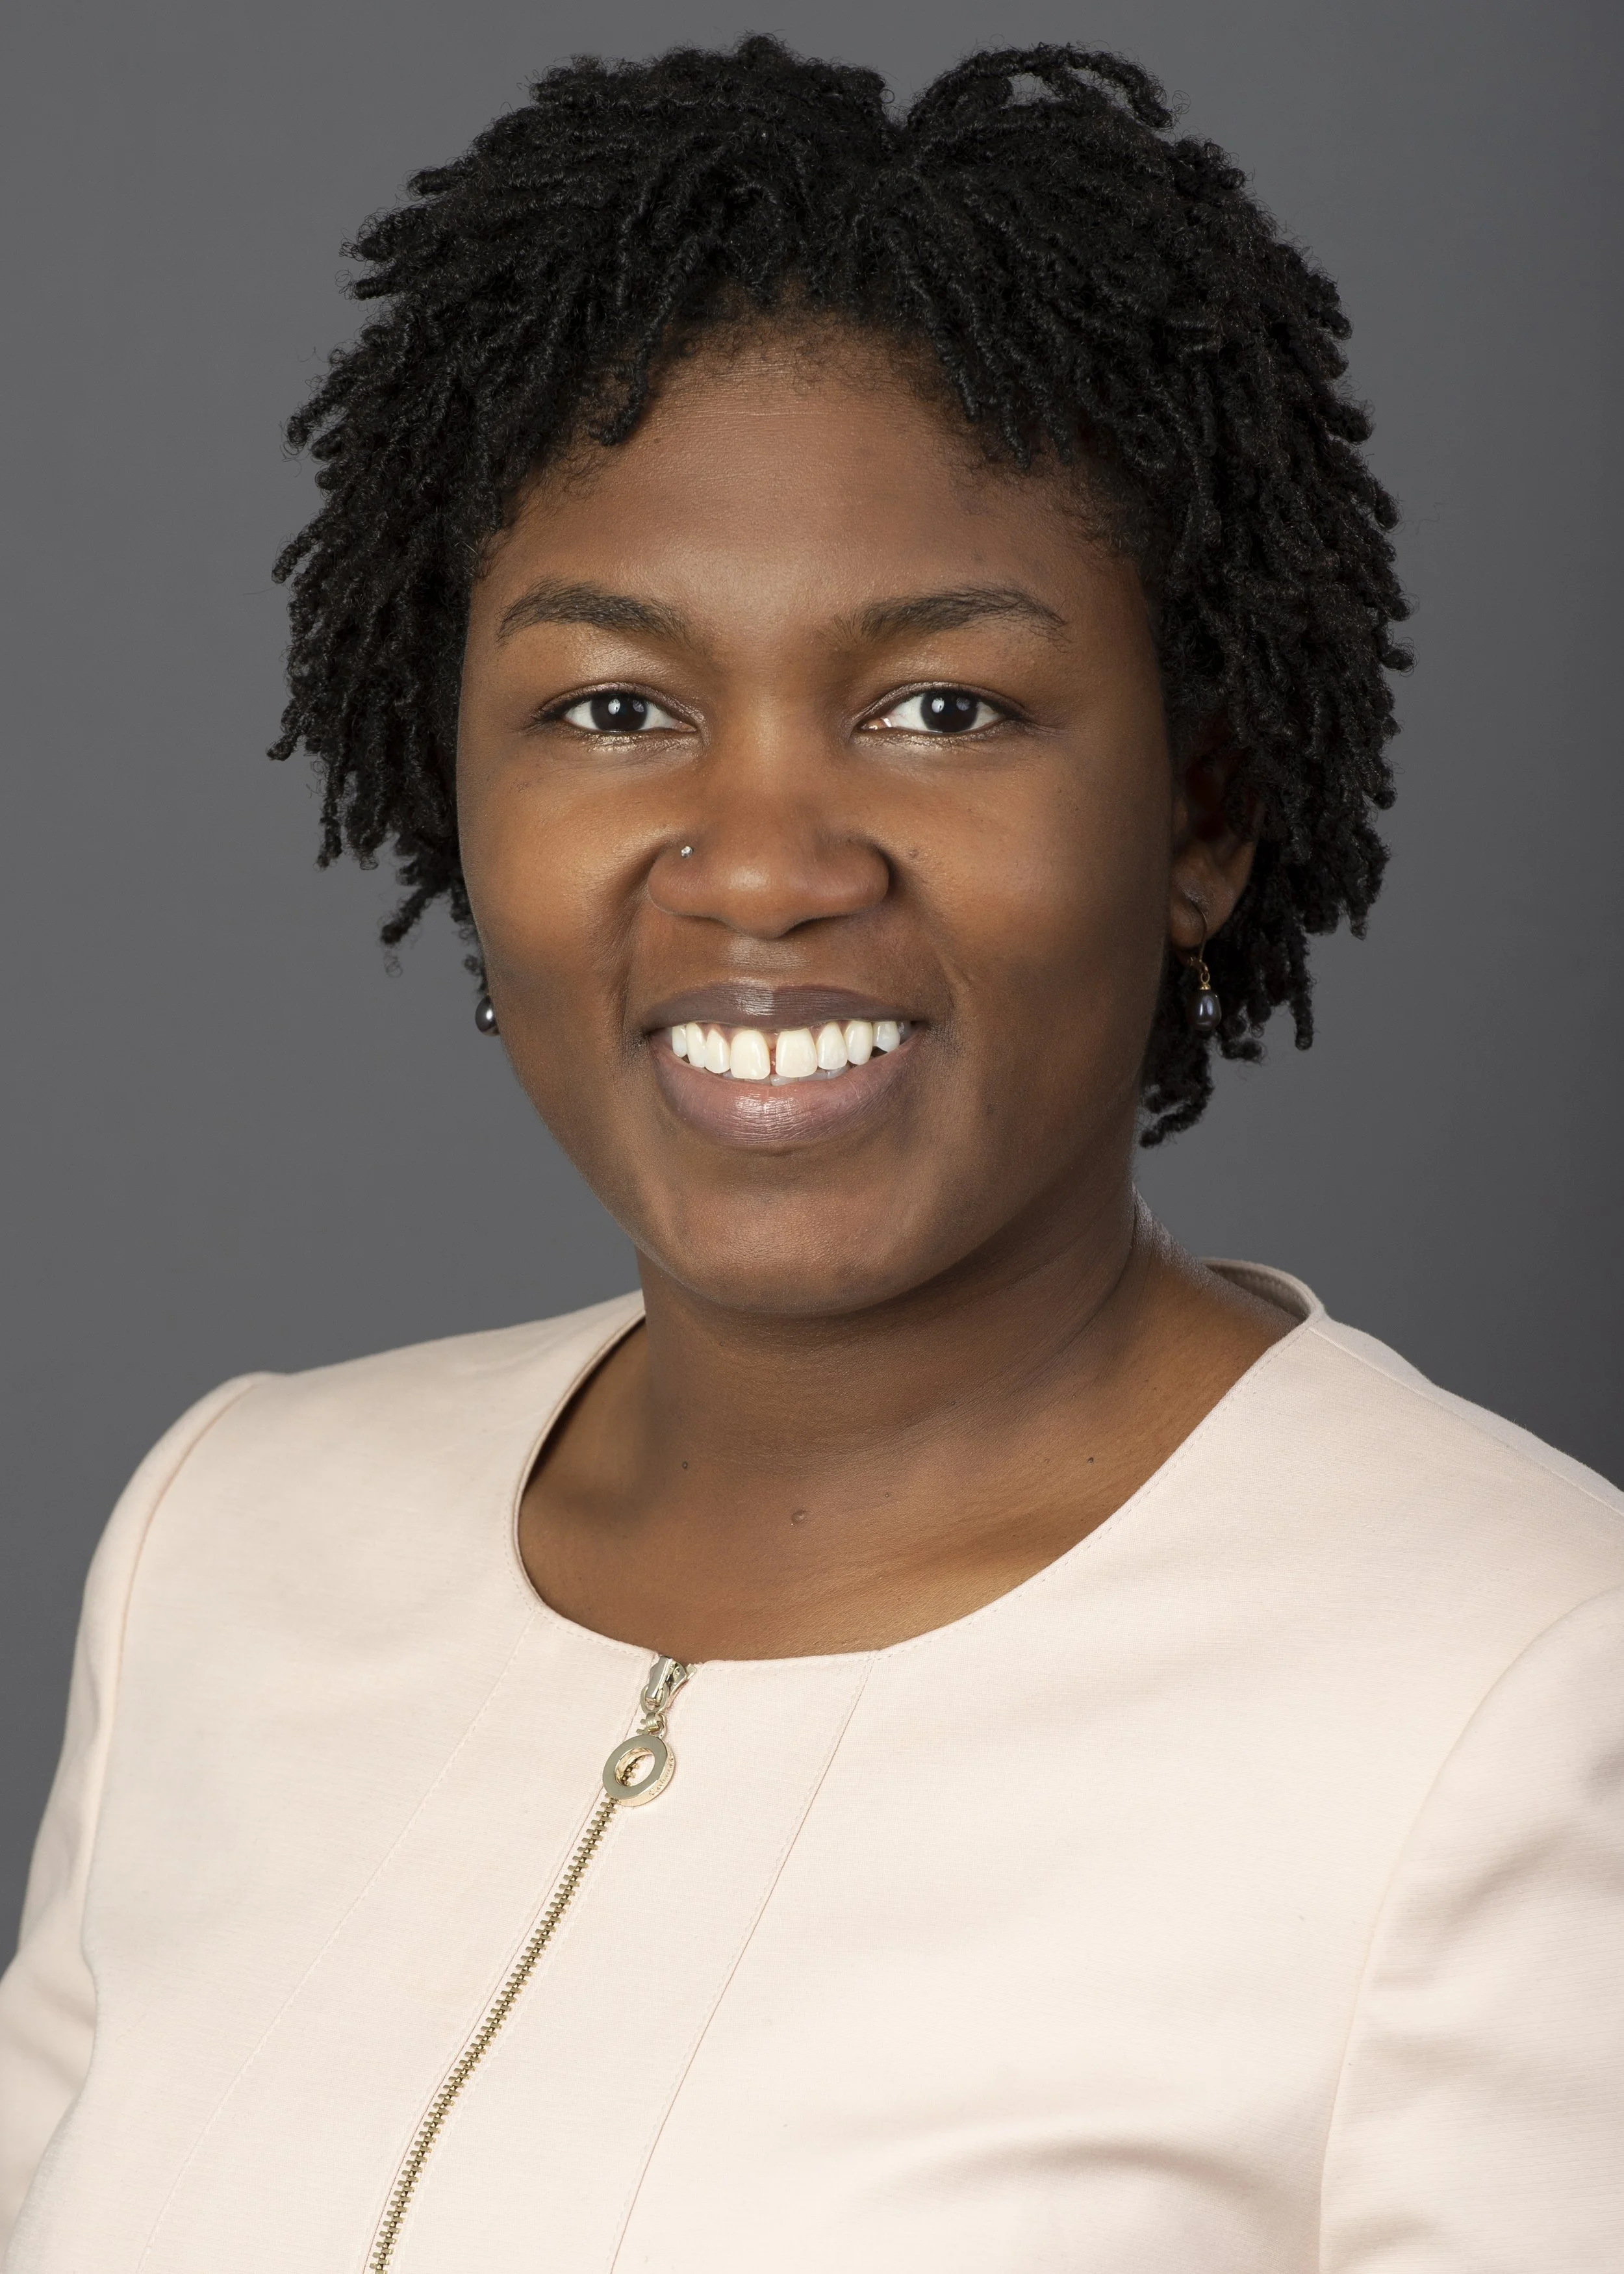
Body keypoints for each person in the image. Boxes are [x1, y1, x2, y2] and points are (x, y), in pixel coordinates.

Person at [1, 36, 1619, 2274]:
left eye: (939, 707)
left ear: (1202, 815)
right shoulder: (225, 1547)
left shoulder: (1529, 1691)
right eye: (612, 708)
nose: (758, 867)